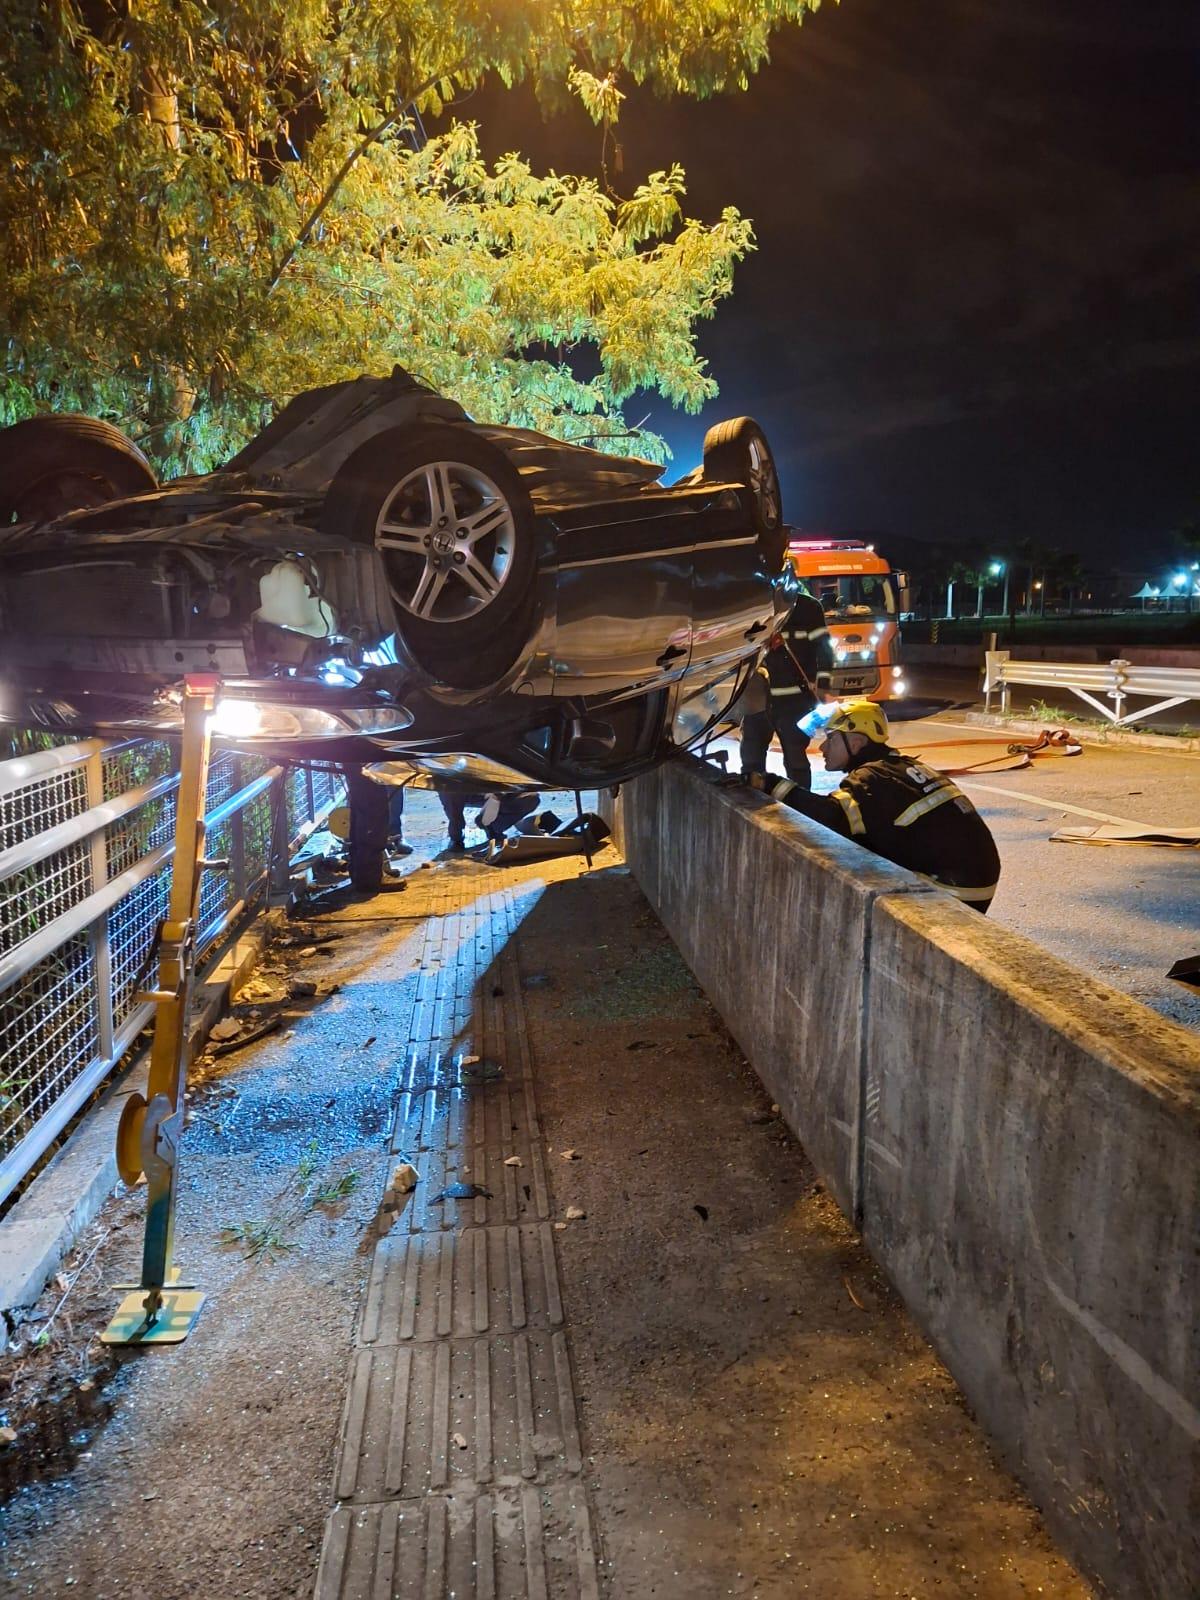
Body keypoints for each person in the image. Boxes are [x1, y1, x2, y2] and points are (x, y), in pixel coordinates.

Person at [748, 700, 1001, 912]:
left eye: (831, 738)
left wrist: (770, 784)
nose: (823, 747)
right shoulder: (896, 766)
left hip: (953, 890)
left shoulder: (873, 778)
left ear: (856, 743)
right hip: (974, 883)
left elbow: (830, 818)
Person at [740, 576, 834, 789]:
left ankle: (801, 808)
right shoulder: (752, 607)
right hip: (757, 699)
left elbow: (824, 649)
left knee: (796, 759)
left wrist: (824, 686)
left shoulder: (808, 607)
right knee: (752, 758)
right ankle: (753, 805)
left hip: (795, 701)